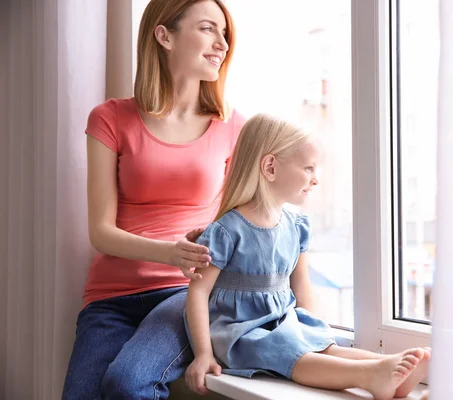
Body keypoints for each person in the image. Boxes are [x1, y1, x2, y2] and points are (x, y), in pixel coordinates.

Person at [61, 1, 246, 399]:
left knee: (129, 383)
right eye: (208, 29)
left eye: (225, 33)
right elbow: (101, 232)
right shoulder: (110, 118)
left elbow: (246, 222)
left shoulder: (232, 126)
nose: (222, 43)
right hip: (110, 298)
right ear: (164, 35)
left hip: (185, 295)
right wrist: (170, 252)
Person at [184, 114, 431, 400]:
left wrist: (314, 333)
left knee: (324, 345)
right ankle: (371, 376)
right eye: (308, 168)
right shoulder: (227, 230)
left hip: (282, 321)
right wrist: (203, 354)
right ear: (270, 167)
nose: (315, 179)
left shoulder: (296, 226)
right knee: (292, 354)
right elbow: (198, 292)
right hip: (240, 332)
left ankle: (386, 366)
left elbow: (301, 287)